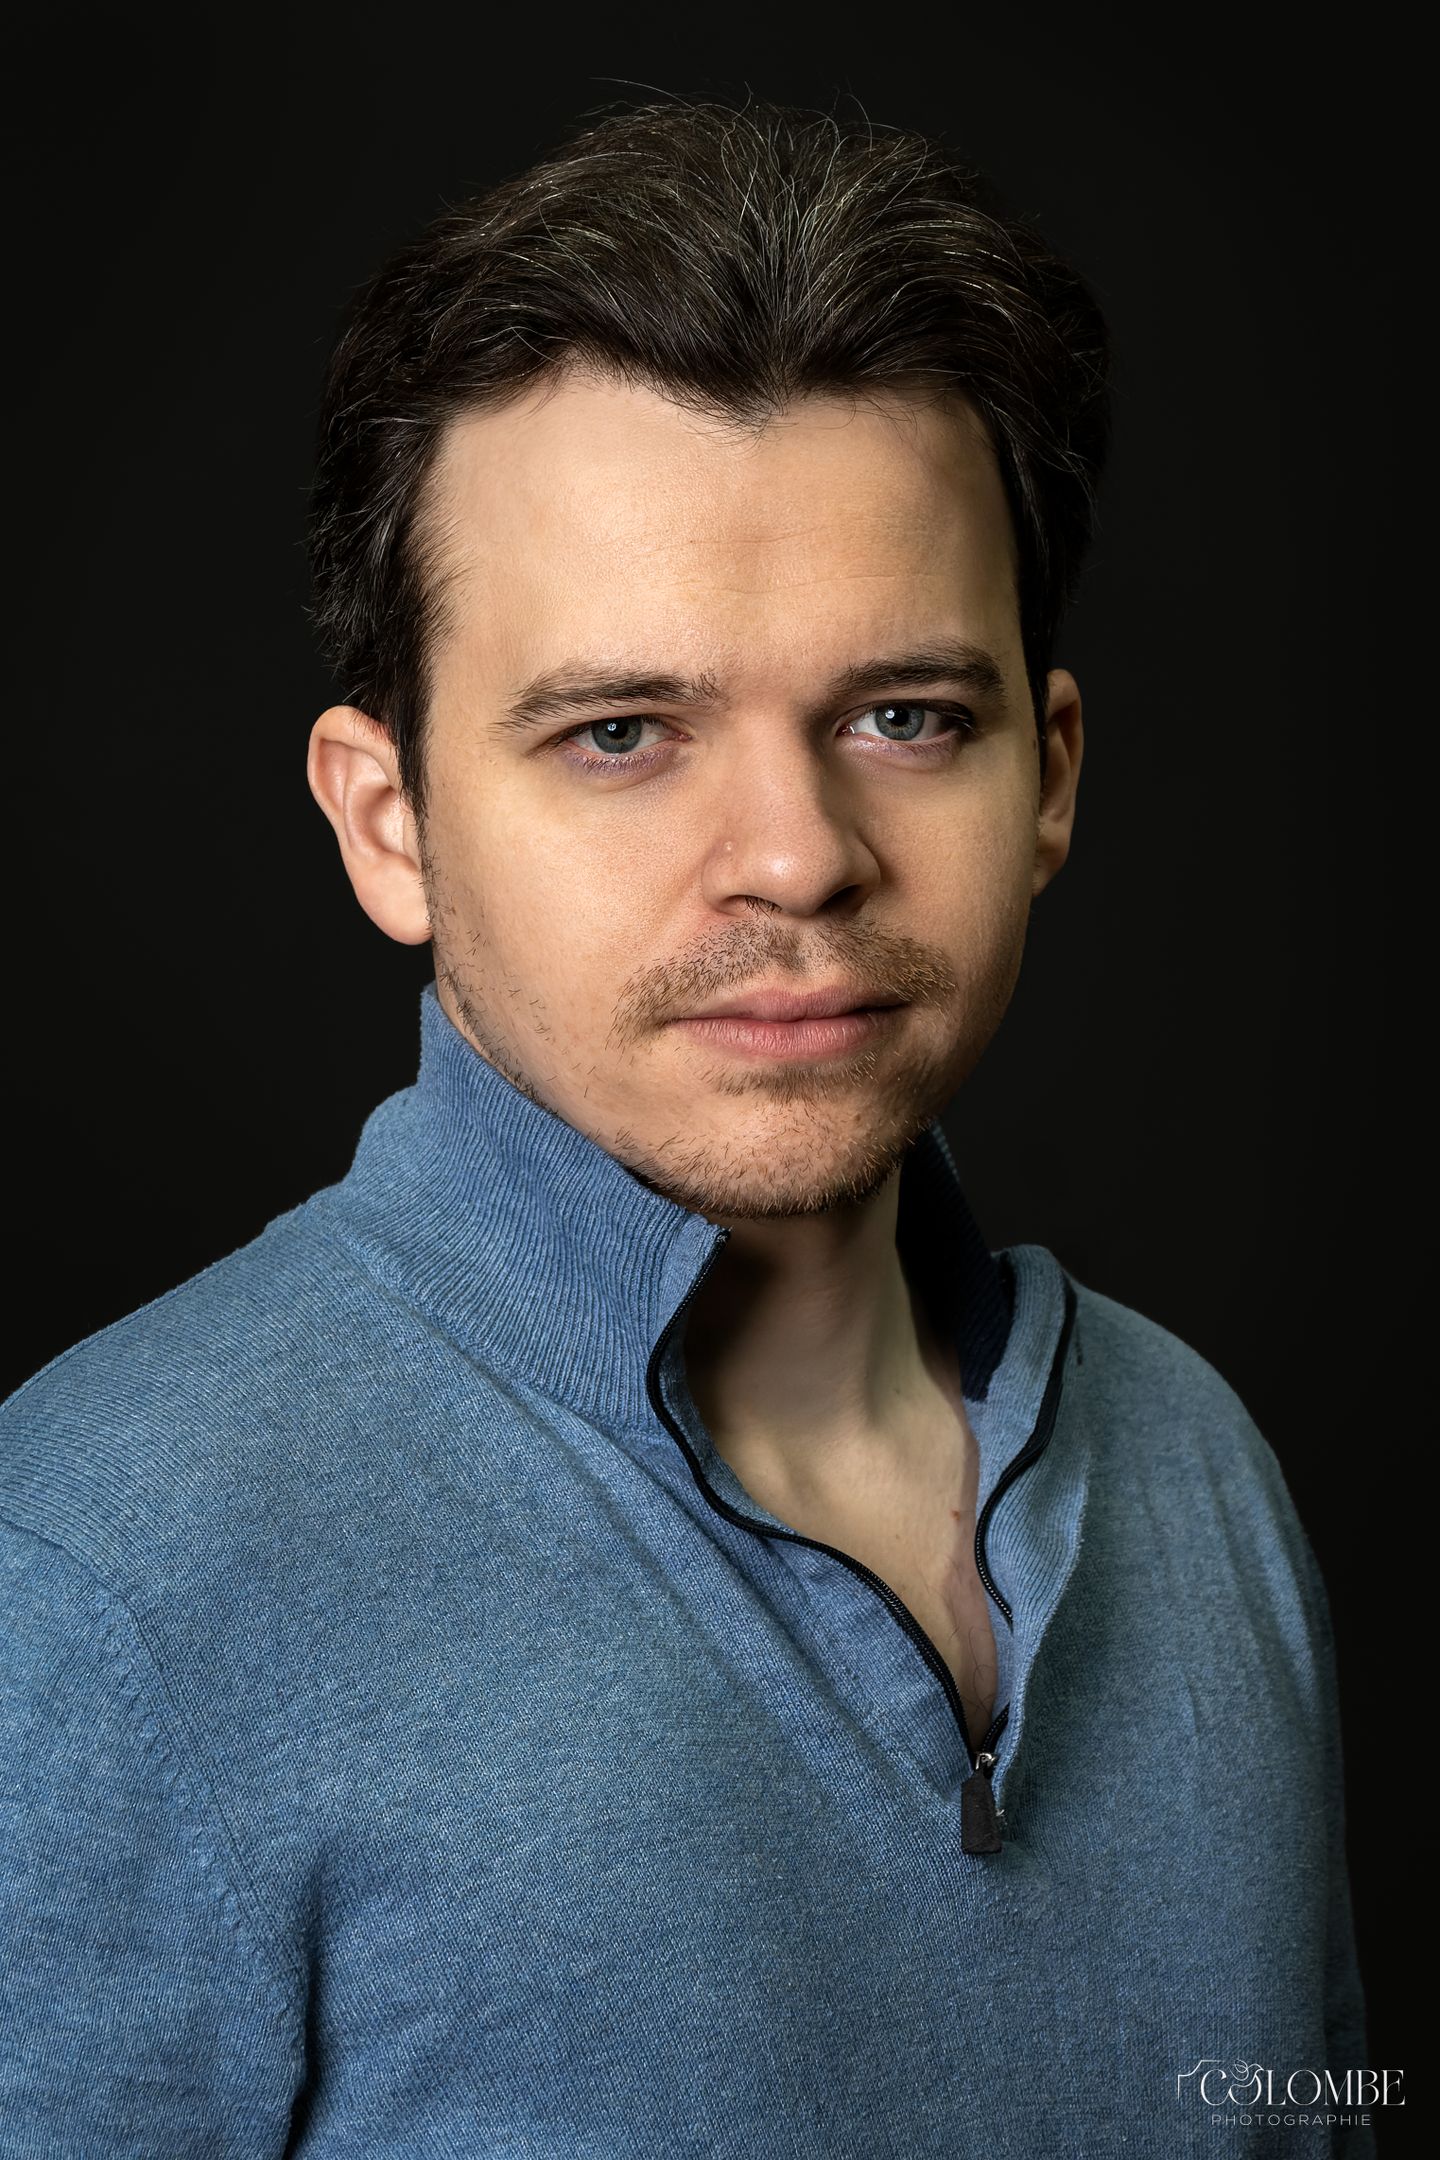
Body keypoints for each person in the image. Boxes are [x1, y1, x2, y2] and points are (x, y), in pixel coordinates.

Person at [0, 95, 1372, 2158]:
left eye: (906, 717)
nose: (798, 856)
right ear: (390, 824)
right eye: (623, 733)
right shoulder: (92, 1591)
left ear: (1052, 773)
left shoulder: (1197, 1472)